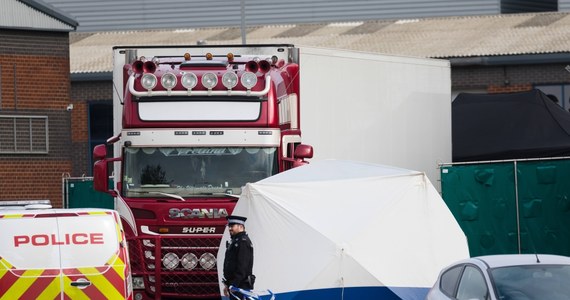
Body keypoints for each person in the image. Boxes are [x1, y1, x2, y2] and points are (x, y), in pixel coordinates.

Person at [222, 215, 255, 299]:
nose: (229, 228)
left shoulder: (243, 242)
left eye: (232, 226)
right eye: (229, 226)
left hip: (240, 286)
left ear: (241, 226)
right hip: (235, 286)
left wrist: (234, 284)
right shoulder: (235, 241)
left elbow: (242, 267)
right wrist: (228, 285)